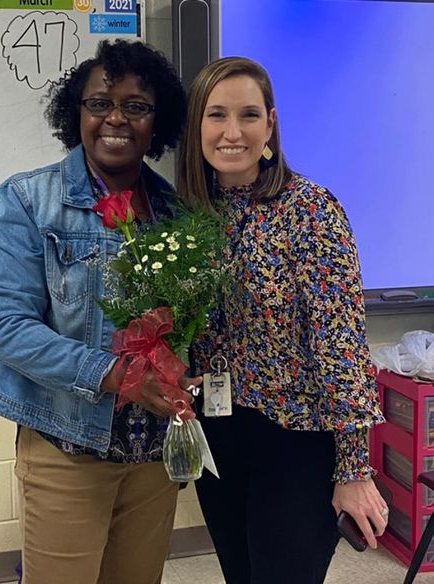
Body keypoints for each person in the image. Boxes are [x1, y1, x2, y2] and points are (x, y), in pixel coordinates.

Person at [0, 39, 199, 584]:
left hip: (152, 458)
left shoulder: (175, 212)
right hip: (67, 448)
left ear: (157, 121)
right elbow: (6, 328)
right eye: (100, 103)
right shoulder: (29, 200)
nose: (116, 119)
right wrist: (115, 374)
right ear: (75, 112)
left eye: (136, 106)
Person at [179, 56, 387, 584]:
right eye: (217, 115)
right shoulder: (190, 215)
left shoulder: (310, 211)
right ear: (196, 125)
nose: (232, 132)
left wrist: (354, 468)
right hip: (220, 432)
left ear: (270, 124)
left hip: (297, 439)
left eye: (248, 115)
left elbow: (341, 345)